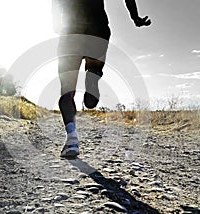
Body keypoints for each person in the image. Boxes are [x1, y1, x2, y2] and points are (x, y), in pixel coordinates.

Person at [52, 0, 151, 157]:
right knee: (91, 96)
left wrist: (55, 21)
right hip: (97, 31)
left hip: (70, 33)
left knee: (67, 90)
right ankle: (93, 76)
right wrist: (135, 17)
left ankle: (71, 140)